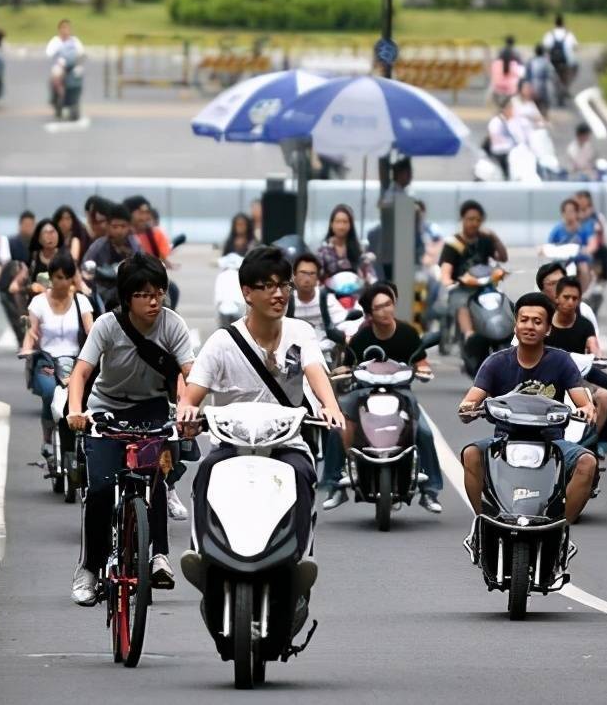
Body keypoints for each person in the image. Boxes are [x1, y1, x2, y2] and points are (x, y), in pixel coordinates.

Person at [175, 246, 344, 616]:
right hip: (232, 446)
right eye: (266, 286)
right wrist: (188, 409)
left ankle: (300, 558)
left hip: (286, 443)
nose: (278, 293)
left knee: (303, 477)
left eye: (282, 284)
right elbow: (193, 394)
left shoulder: (300, 332)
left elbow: (316, 372)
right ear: (246, 292)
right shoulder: (222, 343)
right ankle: (201, 553)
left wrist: (330, 406)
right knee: (204, 474)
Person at [66, 253, 195, 604]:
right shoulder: (107, 325)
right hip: (106, 410)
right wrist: (76, 410)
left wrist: (186, 408)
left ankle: (158, 556)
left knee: (155, 479)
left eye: (159, 292)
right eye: (144, 294)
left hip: (152, 410)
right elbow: (80, 373)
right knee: (101, 490)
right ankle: (90, 568)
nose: (154, 301)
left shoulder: (173, 325)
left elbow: (189, 374)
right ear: (127, 298)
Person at [458, 292, 597, 524]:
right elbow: (470, 400)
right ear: (515, 325)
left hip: (552, 442)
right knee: (471, 454)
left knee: (588, 462)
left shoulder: (561, 361)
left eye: (537, 321)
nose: (529, 326)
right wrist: (468, 408)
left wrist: (586, 410)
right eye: (524, 320)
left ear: (548, 329)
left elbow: (583, 401)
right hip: (503, 440)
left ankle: (563, 527)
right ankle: (482, 521)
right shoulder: (496, 362)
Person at [322, 283, 442, 513]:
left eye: (388, 304)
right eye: (379, 307)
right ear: (370, 313)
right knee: (338, 427)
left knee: (424, 432)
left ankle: (430, 490)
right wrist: (338, 372)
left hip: (401, 392)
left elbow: (421, 362)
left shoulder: (407, 333)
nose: (385, 310)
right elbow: (347, 364)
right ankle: (334, 485)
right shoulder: (361, 337)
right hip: (363, 392)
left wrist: (424, 371)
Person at [18, 253, 93, 456]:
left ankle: (86, 441)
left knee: (87, 396)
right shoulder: (38, 303)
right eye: (58, 277)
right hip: (46, 360)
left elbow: (92, 332)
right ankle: (48, 438)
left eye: (67, 277)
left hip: (77, 361)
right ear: (50, 277)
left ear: (72, 279)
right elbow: (31, 332)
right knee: (50, 393)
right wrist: (26, 349)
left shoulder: (82, 302)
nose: (62, 282)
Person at [546, 276, 607, 458]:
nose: (570, 302)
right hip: (548, 376)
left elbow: (593, 345)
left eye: (575, 298)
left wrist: (598, 357)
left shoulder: (584, 325)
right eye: (566, 297)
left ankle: (595, 440)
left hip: (579, 375)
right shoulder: (546, 324)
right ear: (556, 298)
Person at [439, 200, 508, 373]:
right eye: (470, 219)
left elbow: (503, 257)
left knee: (503, 300)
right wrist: (448, 281)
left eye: (478, 219)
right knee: (462, 304)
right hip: (463, 287)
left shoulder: (485, 240)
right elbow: (446, 269)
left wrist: (495, 238)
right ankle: (469, 335)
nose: (474, 223)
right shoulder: (453, 243)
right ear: (463, 219)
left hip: (486, 286)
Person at [288, 253, 350, 343]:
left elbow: (343, 322)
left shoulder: (325, 298)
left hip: (325, 352)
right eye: (303, 273)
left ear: (317, 277)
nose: (307, 279)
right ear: (294, 276)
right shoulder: (287, 301)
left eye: (312, 274)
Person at [547, 197, 594, 291]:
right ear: (562, 213)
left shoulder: (582, 229)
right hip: (562, 259)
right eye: (566, 211)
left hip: (579, 259)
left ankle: (580, 294)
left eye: (572, 211)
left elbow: (589, 244)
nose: (569, 214)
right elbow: (549, 245)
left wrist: (587, 250)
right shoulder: (557, 229)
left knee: (584, 269)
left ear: (577, 213)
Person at [317, 204, 373, 282]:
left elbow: (369, 275)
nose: (341, 226)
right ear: (331, 224)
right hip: (329, 292)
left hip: (355, 291)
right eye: (338, 222)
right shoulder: (323, 251)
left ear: (350, 225)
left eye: (345, 222)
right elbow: (318, 275)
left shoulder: (359, 250)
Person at [45, 19, 84, 108]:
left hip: (73, 65)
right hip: (60, 65)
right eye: (63, 28)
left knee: (79, 74)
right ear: (59, 29)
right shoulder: (56, 41)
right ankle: (58, 94)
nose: (65, 30)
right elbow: (49, 52)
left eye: (67, 28)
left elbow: (81, 52)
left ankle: (75, 96)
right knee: (56, 74)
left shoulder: (75, 41)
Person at [542, 14, 578, 106]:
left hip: (553, 61)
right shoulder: (569, 34)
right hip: (566, 61)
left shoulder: (550, 34)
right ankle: (566, 87)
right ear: (563, 23)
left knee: (551, 76)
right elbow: (575, 46)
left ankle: (557, 89)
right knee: (575, 68)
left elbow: (545, 47)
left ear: (555, 23)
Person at [576, 190, 607, 285]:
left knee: (603, 252)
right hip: (578, 244)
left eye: (582, 198)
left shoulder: (596, 216)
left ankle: (599, 281)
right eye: (579, 198)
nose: (580, 201)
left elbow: (600, 231)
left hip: (593, 245)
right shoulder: (575, 215)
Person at [486, 100, 527, 180]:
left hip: (510, 150)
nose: (513, 112)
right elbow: (496, 141)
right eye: (511, 109)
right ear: (505, 109)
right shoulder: (496, 122)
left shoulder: (511, 122)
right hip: (502, 152)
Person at [490, 35, 524, 103]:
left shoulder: (501, 51)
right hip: (511, 83)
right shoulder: (516, 52)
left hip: (499, 84)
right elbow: (520, 66)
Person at [524, 44, 555, 115]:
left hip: (533, 87)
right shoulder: (546, 62)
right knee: (545, 107)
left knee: (535, 107)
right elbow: (551, 75)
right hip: (544, 88)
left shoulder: (531, 61)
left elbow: (526, 76)